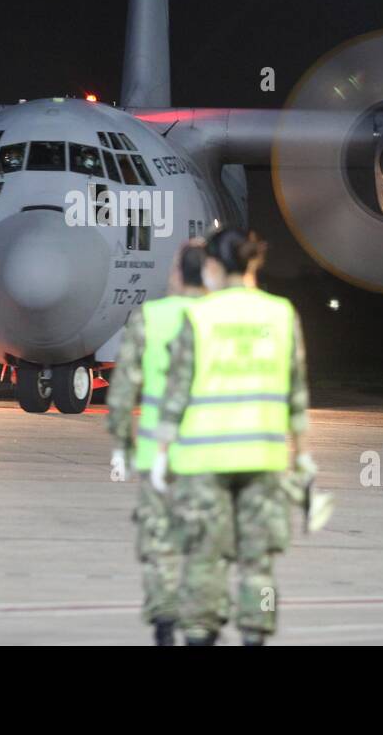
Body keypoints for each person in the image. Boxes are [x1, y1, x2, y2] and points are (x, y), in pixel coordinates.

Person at [152, 228, 314, 646]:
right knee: (258, 562)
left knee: (205, 558)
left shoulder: (200, 316)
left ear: (213, 265)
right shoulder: (281, 314)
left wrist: (162, 452)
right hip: (263, 458)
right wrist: (302, 457)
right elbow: (297, 394)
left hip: (204, 460)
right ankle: (255, 635)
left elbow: (177, 392)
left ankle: (200, 634)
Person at [105, 240, 207, 645]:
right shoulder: (222, 319)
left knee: (160, 543)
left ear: (176, 273)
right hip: (210, 456)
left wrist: (122, 445)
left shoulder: (151, 316)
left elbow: (122, 391)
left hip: (157, 458)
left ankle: (165, 621)